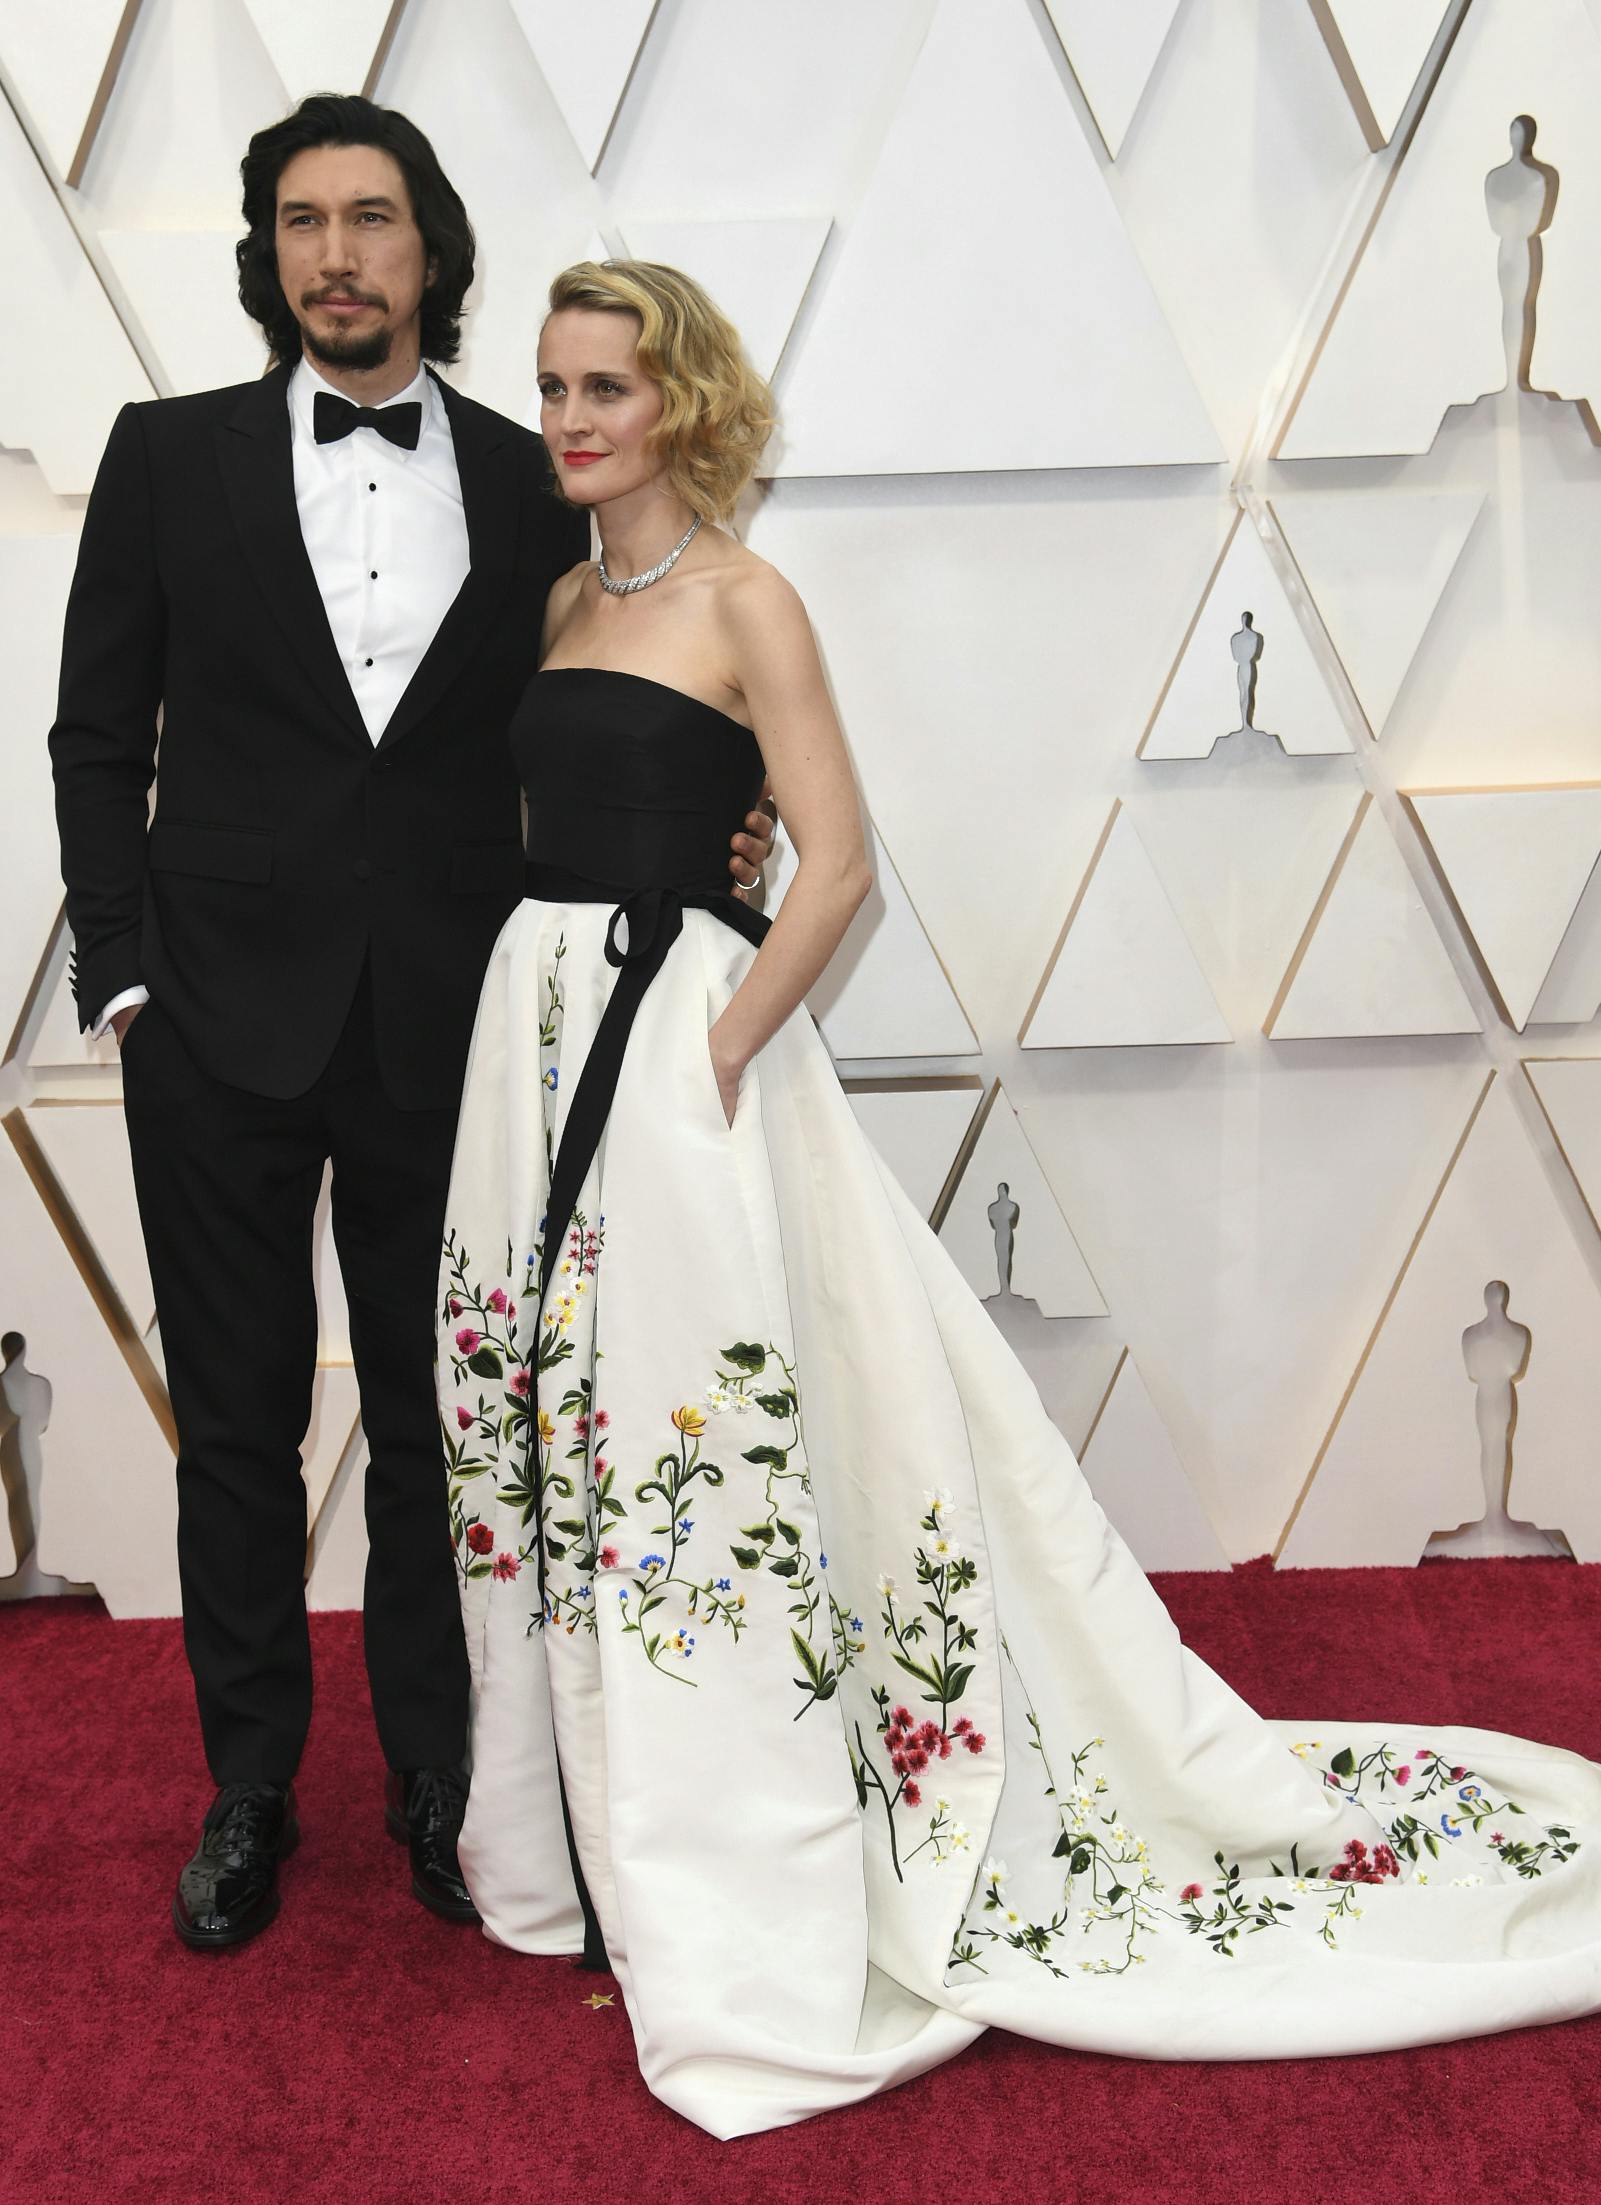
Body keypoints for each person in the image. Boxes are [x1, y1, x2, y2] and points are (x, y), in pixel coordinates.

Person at [438, 256, 1601, 2139]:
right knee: (552, 1442)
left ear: (685, 405)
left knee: (695, 1451)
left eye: (608, 390)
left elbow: (834, 860)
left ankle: (736, 1843)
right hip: (535, 1048)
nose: (572, 418)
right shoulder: (568, 595)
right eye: (557, 385)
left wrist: (717, 1050)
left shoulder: (751, 598)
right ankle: (574, 1839)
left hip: (671, 1065)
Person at [47, 97, 773, 1953]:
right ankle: (250, 1787)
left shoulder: (547, 476)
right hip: (207, 1018)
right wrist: (121, 973)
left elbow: (617, 710)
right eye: (301, 224)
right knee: (233, 1421)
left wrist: (727, 831)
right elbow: (93, 734)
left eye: (370, 220)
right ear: (268, 255)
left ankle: (446, 1786)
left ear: (428, 251)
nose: (336, 257)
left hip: (453, 1030)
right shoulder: (162, 456)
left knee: (443, 1429)